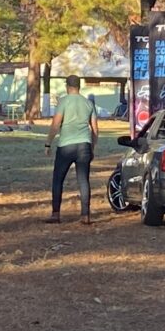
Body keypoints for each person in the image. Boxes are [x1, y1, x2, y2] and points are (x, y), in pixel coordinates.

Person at [47, 77, 97, 224]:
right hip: (84, 145)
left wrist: (48, 143)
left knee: (58, 179)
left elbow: (56, 124)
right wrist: (92, 147)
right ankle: (85, 215)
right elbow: (95, 129)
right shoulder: (88, 103)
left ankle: (55, 214)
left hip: (66, 145)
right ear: (79, 86)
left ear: (67, 86)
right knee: (83, 180)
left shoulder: (63, 102)